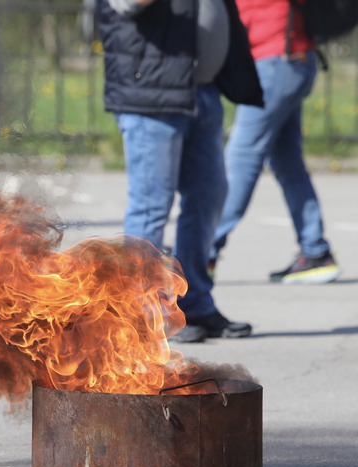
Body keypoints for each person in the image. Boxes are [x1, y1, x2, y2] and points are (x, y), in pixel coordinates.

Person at [97, 0, 264, 343]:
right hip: (151, 97)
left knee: (208, 197)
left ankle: (194, 304)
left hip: (202, 91)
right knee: (151, 206)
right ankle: (139, 313)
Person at [208, 0, 342, 284]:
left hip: (276, 60)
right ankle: (315, 251)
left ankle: (205, 250)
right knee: (288, 164)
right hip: (288, 59)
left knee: (239, 163)